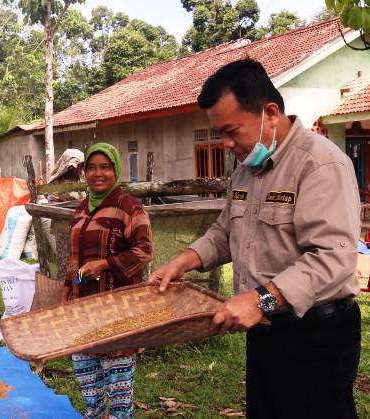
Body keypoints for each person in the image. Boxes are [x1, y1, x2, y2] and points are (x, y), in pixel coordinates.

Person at [150, 59, 361, 418]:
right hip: (265, 327)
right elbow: (224, 232)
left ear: (271, 112)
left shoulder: (320, 164)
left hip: (317, 334)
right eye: (219, 133)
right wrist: (183, 261)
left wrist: (260, 299)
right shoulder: (247, 167)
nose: (226, 143)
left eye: (233, 131)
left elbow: (331, 257)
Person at [61, 143, 153, 419]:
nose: (97, 173)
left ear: (116, 170)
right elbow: (74, 258)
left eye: (105, 167)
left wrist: (106, 264)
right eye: (91, 167)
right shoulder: (81, 210)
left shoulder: (130, 208)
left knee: (118, 387)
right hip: (84, 307)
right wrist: (66, 291)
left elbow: (144, 251)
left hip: (118, 308)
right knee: (88, 382)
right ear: (84, 172)